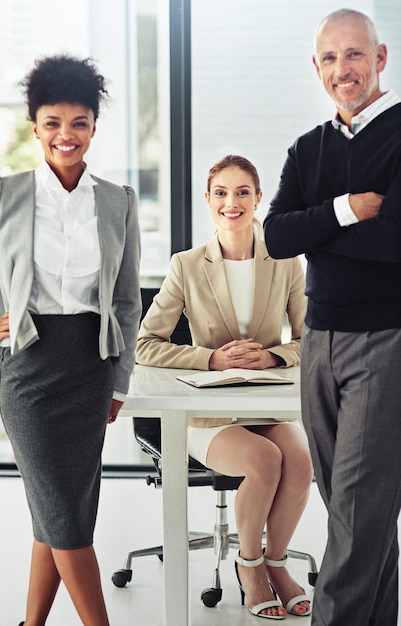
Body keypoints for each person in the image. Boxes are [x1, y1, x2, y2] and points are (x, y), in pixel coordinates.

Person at [0, 54, 141, 626]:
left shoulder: (117, 201)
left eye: (79, 123)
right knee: (65, 514)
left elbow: (124, 301)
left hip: (91, 368)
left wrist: (119, 380)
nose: (65, 137)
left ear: (94, 125)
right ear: (34, 125)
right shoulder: (6, 194)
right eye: (52, 123)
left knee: (61, 513)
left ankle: (30, 624)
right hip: (31, 371)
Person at [263, 9, 401, 626]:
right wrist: (345, 210)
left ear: (381, 58)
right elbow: (273, 236)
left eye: (354, 55)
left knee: (354, 505)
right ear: (315, 68)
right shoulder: (308, 147)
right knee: (356, 509)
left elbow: (396, 240)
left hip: (385, 340)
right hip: (318, 340)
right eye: (329, 59)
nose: (342, 70)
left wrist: (314, 226)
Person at [137, 154, 313, 620]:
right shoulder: (187, 265)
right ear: (208, 200)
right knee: (264, 460)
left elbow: (312, 337)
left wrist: (274, 355)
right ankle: (249, 564)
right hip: (209, 412)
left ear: (257, 200)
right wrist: (210, 358)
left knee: (300, 460)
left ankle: (277, 561)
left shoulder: (286, 262)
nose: (231, 202)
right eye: (221, 193)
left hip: (263, 405)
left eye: (242, 193)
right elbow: (145, 343)